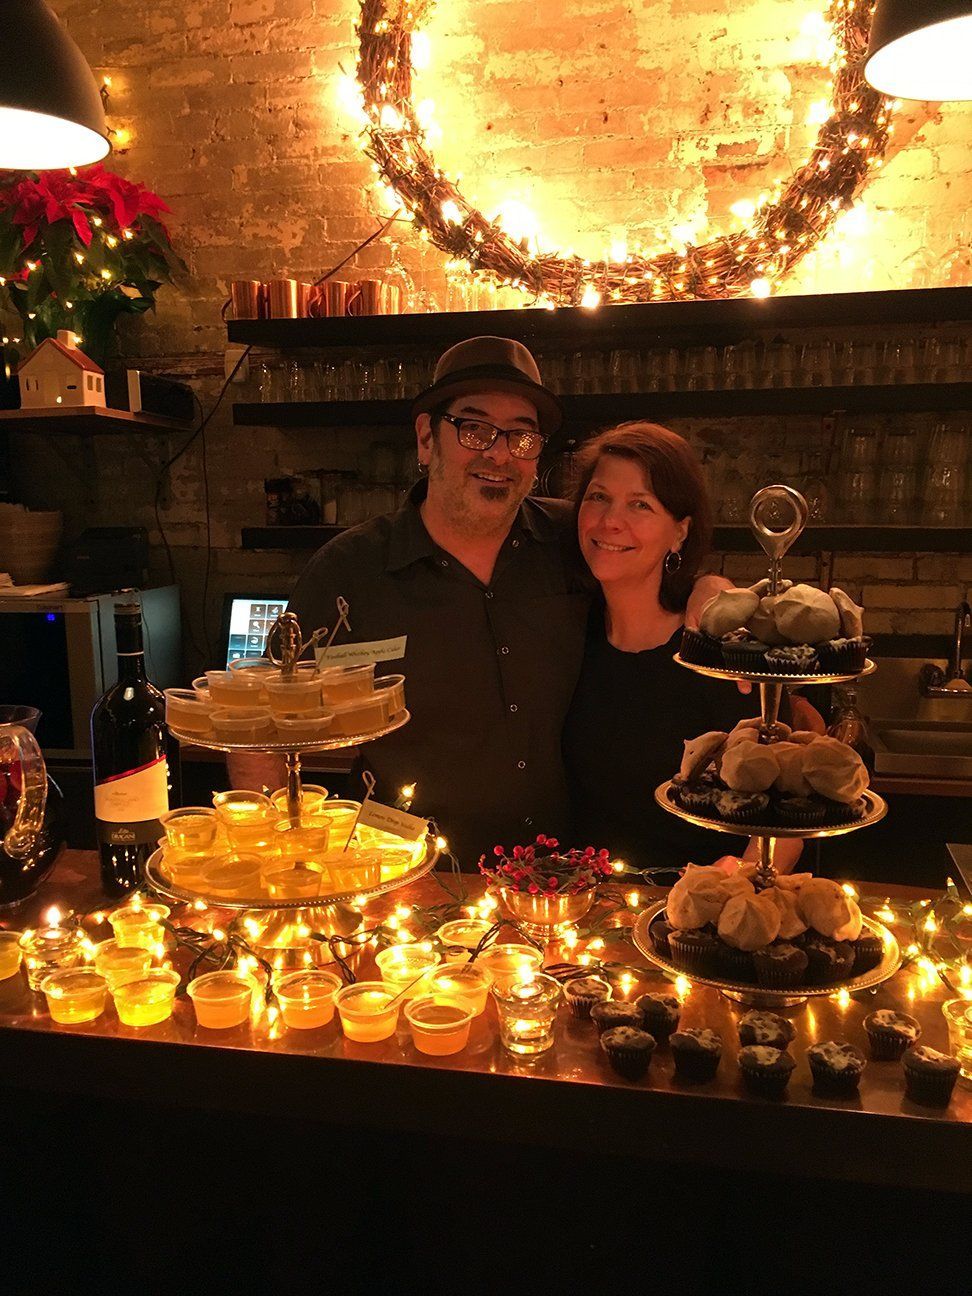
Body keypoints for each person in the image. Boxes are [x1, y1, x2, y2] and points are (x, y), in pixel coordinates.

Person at [280, 338, 731, 866]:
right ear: (426, 438)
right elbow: (266, 732)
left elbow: (650, 550)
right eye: (474, 429)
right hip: (409, 881)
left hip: (559, 883)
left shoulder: (574, 538)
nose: (498, 453)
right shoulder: (347, 573)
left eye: (521, 436)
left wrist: (713, 589)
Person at [563, 421, 804, 872]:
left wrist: (737, 886)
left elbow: (786, 817)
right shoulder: (566, 633)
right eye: (598, 497)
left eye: (641, 504)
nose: (610, 521)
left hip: (694, 917)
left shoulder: (719, 657)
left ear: (680, 531)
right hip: (584, 909)